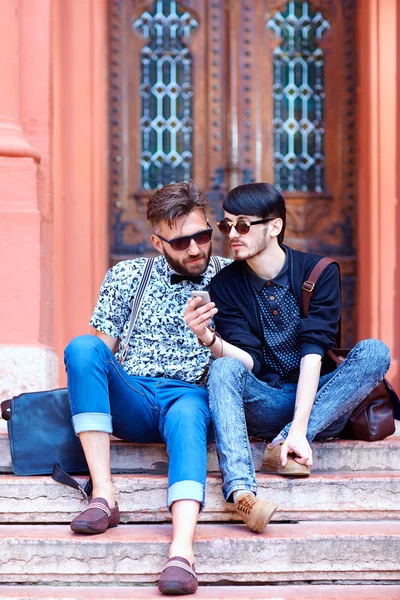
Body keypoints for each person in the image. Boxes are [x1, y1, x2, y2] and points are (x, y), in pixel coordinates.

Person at [184, 182, 390, 534]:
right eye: (226, 226)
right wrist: (208, 338)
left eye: (243, 225)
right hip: (267, 400)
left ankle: (283, 443)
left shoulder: (319, 272)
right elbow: (247, 360)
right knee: (223, 367)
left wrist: (298, 430)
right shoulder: (226, 285)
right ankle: (241, 492)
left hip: (321, 405)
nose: (232, 234)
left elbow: (314, 351)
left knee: (375, 352)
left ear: (274, 226)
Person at [64, 181, 232, 596]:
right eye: (180, 242)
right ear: (158, 241)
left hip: (191, 396)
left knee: (190, 411)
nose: (195, 250)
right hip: (134, 398)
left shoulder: (232, 279)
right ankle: (104, 495)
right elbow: (98, 360)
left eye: (203, 236)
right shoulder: (127, 276)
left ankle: (181, 552)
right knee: (82, 347)